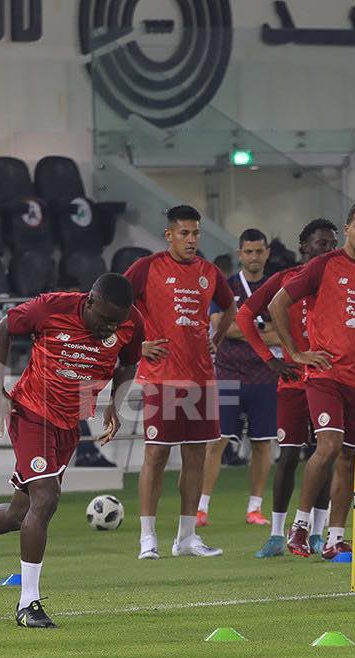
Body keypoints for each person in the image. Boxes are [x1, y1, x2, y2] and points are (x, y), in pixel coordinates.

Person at [0, 274, 142, 628]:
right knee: (47, 497)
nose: (108, 328)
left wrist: (116, 402)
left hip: (68, 424)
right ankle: (28, 604)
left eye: (115, 323)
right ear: (89, 302)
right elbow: (3, 328)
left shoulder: (132, 321)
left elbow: (130, 360)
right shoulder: (51, 308)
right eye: (103, 320)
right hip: (31, 414)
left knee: (17, 515)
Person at [270, 204, 355, 559]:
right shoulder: (324, 265)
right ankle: (301, 525)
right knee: (326, 446)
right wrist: (295, 352)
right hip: (325, 372)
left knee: (349, 459)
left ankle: (335, 538)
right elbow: (279, 304)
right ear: (347, 229)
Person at [124, 205, 236, 560]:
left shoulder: (208, 271)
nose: (191, 240)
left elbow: (230, 307)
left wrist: (215, 340)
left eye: (196, 233)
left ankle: (186, 538)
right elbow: (115, 305)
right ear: (169, 235)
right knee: (156, 454)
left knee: (196, 457)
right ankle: (147, 538)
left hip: (202, 378)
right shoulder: (146, 268)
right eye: (184, 233)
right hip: (162, 377)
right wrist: (137, 344)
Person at [235, 219, 340, 557]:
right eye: (321, 243)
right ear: (304, 246)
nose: (329, 250)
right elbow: (244, 316)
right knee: (289, 456)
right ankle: (277, 534)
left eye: (332, 244)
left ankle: (318, 534)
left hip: (328, 380)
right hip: (294, 380)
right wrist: (270, 358)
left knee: (325, 456)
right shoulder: (285, 280)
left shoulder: (341, 283)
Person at [198, 229, 282, 527]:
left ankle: (254, 508)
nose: (254, 257)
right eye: (249, 252)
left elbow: (283, 334)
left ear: (267, 253)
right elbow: (220, 326)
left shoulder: (277, 289)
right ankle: (202, 507)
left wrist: (242, 327)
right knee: (217, 442)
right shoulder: (227, 286)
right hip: (228, 375)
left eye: (259, 251)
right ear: (239, 254)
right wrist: (262, 331)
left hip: (266, 376)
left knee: (262, 443)